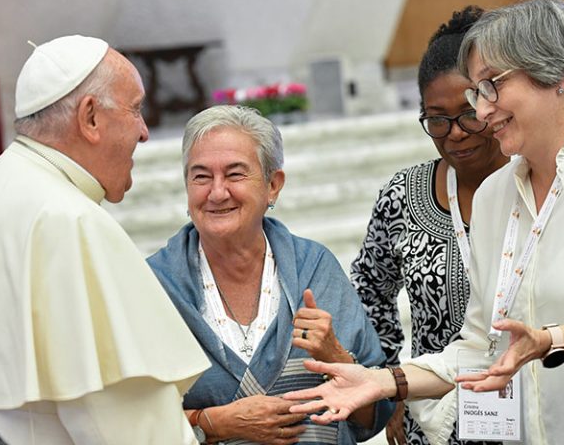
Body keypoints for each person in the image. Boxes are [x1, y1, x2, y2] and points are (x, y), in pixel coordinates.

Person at [285, 0, 564, 445]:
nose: (481, 112)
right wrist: (385, 382)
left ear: (557, 74)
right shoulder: (495, 197)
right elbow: (479, 347)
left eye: (492, 86)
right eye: (475, 94)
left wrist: (550, 340)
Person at [0, 35, 210, 444]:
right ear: (90, 117)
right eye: (135, 110)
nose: (145, 131)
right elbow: (122, 421)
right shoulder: (68, 220)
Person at [147, 105, 394, 444]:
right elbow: (127, 420)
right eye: (201, 176)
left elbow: (374, 416)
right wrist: (216, 424)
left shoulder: (314, 268)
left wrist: (333, 354)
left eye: (235, 175)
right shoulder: (155, 285)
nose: (217, 193)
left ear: (273, 185)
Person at [350, 6, 507, 445]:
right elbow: (368, 290)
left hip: (534, 411)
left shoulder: (537, 182)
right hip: (434, 420)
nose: (455, 133)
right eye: (436, 119)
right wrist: (391, 386)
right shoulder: (403, 195)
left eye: (469, 112)